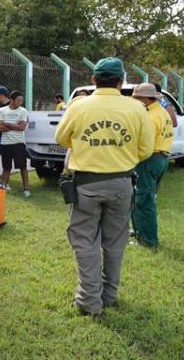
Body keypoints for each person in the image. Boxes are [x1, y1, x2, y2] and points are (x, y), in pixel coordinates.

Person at [55, 57, 154, 318]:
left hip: (86, 185)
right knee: (115, 242)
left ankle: (89, 300)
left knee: (85, 241)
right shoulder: (137, 109)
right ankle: (108, 295)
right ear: (122, 81)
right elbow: (145, 149)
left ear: (93, 80)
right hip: (123, 183)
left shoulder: (79, 105)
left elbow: (61, 137)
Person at [131, 83, 173, 248]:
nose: (135, 101)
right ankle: (139, 231)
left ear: (146, 99)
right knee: (141, 198)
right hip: (161, 158)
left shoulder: (150, 117)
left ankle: (149, 240)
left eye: (137, 98)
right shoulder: (161, 112)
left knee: (144, 200)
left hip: (148, 159)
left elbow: (144, 142)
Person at [0, 90, 30, 196]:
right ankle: (3, 188)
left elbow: (22, 128)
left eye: (21, 100)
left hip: (19, 143)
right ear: (11, 100)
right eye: (18, 100)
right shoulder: (2, 110)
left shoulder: (23, 111)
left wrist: (7, 124)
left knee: (23, 167)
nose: (20, 102)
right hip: (5, 143)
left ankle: (26, 189)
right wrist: (15, 125)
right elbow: (0, 128)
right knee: (6, 167)